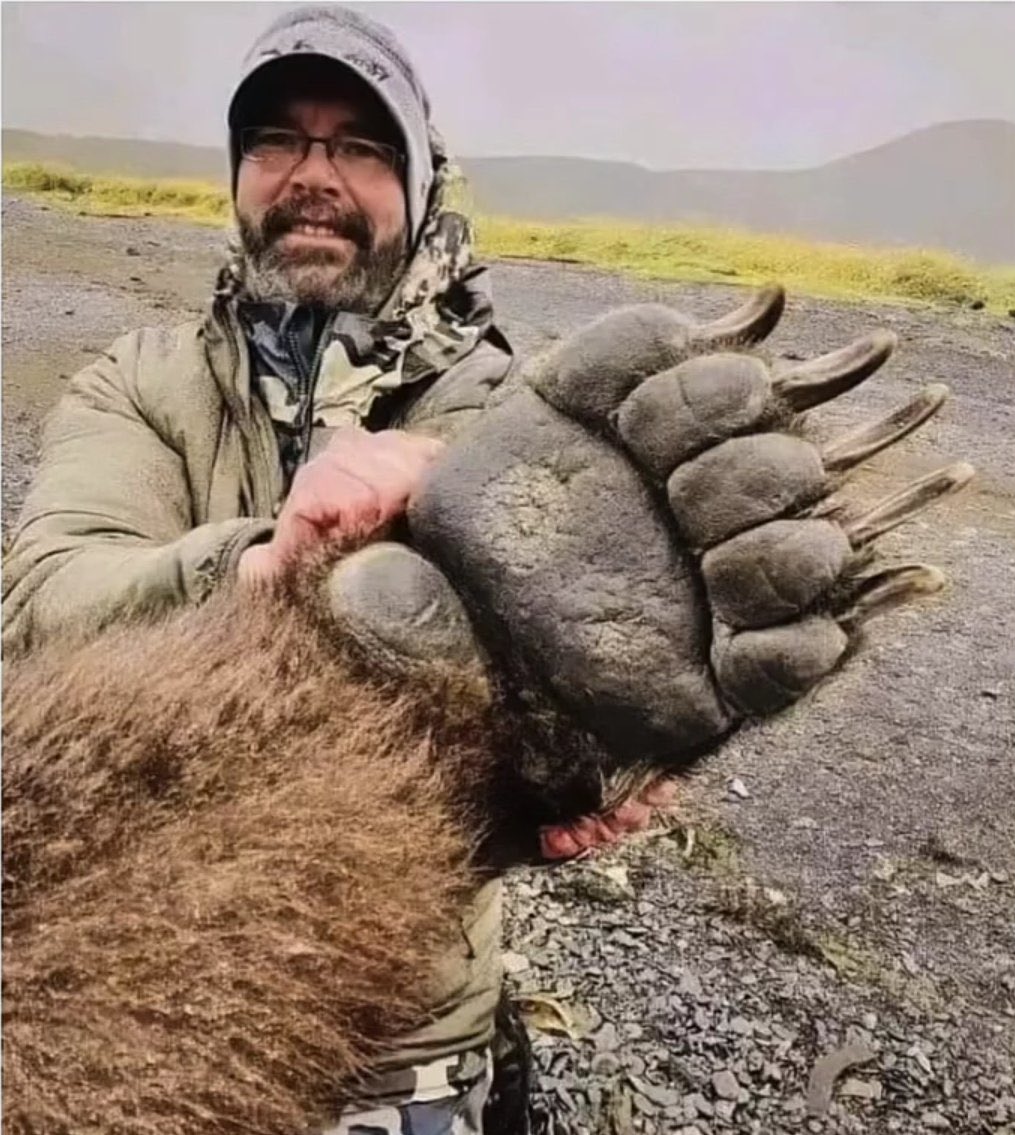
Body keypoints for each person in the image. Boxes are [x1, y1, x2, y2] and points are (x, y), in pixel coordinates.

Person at [2, 6, 673, 1132]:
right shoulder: (135, 385)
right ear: (236, 177)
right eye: (277, 140)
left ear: (418, 184)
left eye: (359, 146)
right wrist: (271, 564)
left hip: (404, 1019)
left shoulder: (510, 419)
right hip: (93, 990)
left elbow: (557, 706)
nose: (313, 174)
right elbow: (39, 612)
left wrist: (595, 757)